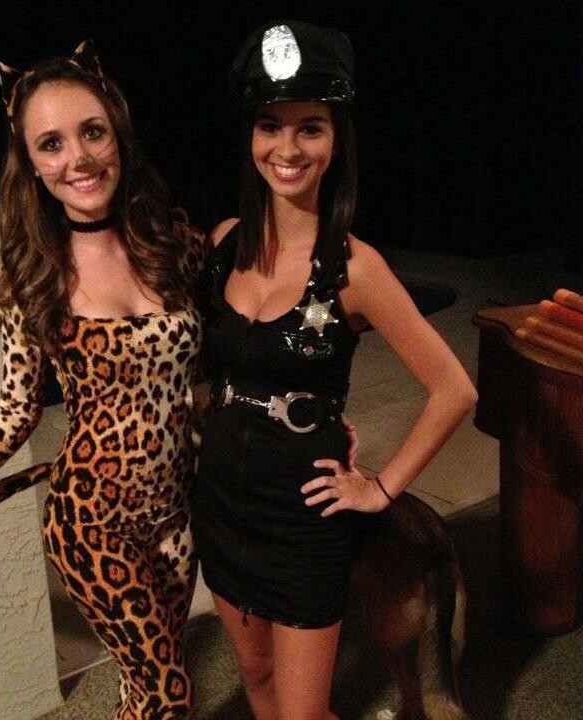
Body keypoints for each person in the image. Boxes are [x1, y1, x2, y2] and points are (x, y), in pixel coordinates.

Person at [0, 40, 203, 720]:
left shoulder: (173, 244)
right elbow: (17, 409)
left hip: (175, 514)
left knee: (145, 682)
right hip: (90, 523)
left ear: (118, 135)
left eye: (92, 132)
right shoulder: (30, 280)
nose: (79, 158)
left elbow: (238, 343)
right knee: (168, 693)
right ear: (32, 165)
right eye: (52, 144)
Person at [192, 21, 478, 720]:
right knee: (256, 674)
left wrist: (381, 487)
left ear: (336, 139)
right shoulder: (223, 243)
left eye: (310, 127)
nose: (287, 149)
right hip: (220, 501)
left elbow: (454, 389)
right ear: (251, 135)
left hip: (303, 518)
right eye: (270, 125)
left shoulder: (356, 267)